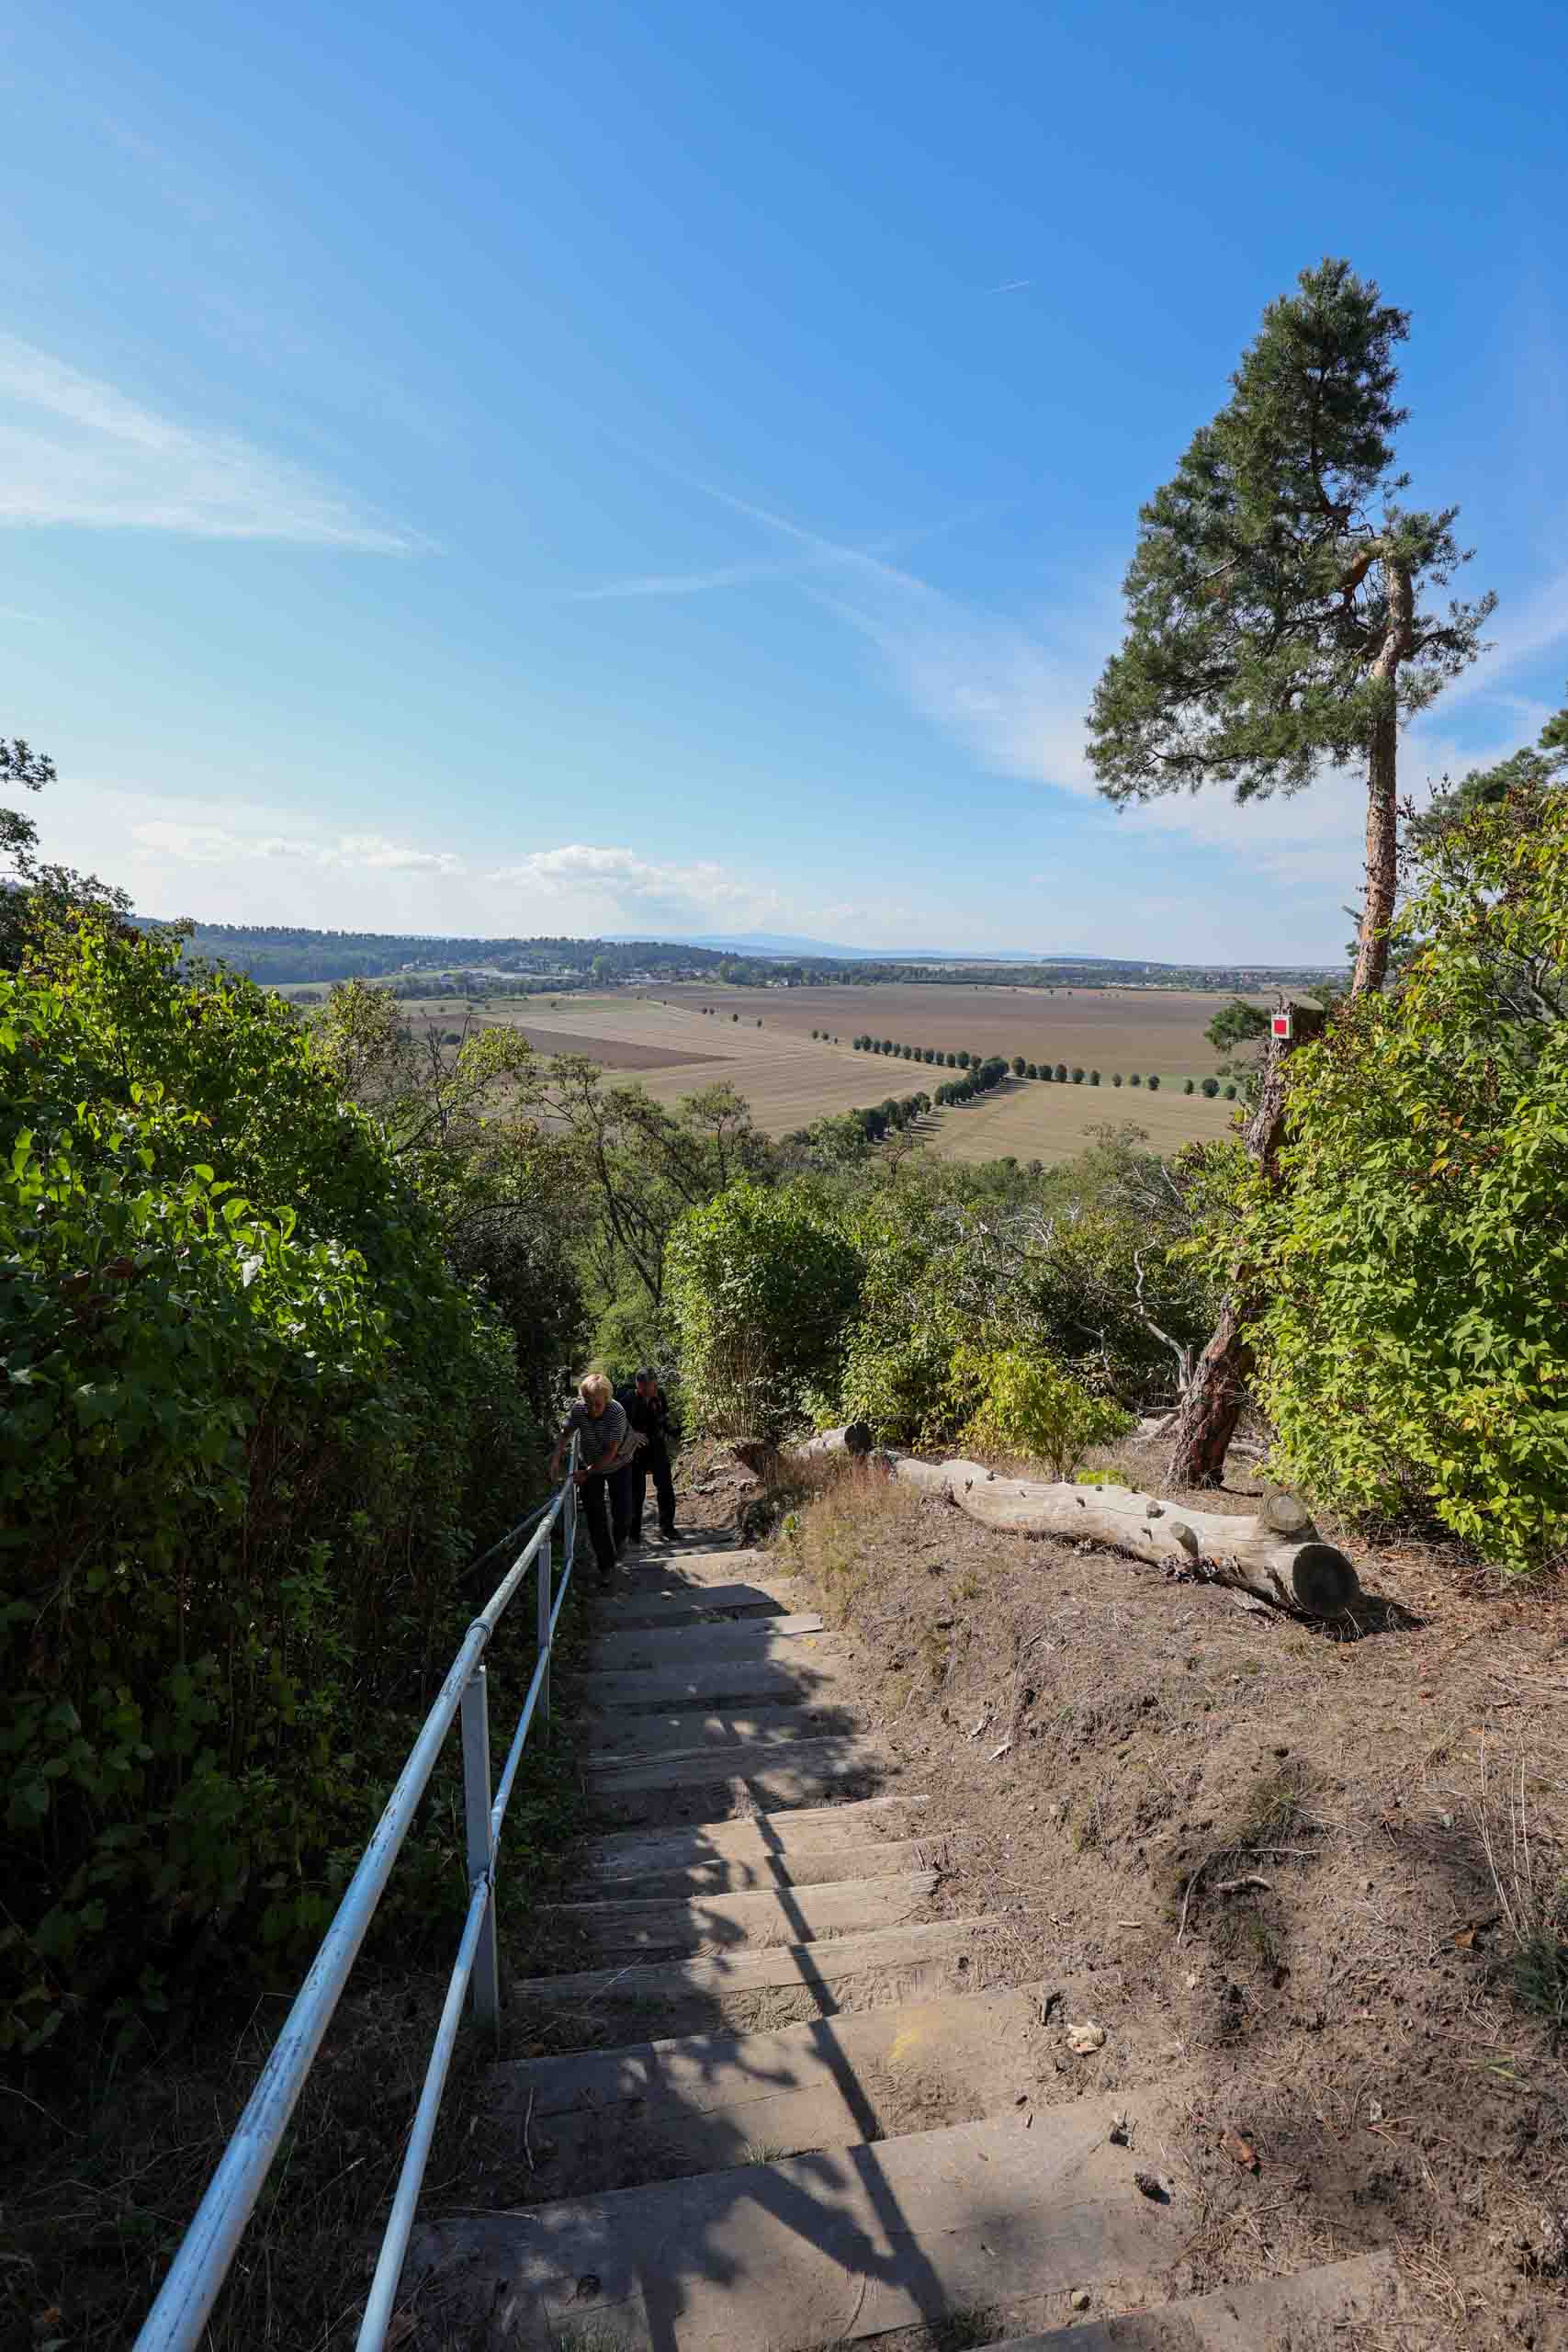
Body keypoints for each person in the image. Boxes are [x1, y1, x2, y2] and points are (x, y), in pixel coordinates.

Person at [549, 1372, 629, 1586]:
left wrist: (586, 1473)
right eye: (588, 1403)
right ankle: (606, 1566)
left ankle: (621, 1539)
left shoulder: (616, 1412)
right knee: (595, 1516)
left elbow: (611, 1453)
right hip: (590, 1462)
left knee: (622, 1511)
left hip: (617, 1464)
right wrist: (555, 1460)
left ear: (607, 1400)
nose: (593, 1409)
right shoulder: (579, 1409)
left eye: (598, 1404)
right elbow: (565, 1433)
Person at [614, 1367, 682, 1546]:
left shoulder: (659, 1395)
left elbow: (664, 1417)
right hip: (635, 1450)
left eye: (651, 1385)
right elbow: (618, 1424)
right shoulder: (627, 1399)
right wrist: (633, 1434)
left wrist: (673, 1430)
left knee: (665, 1487)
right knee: (637, 1492)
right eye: (644, 1386)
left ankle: (668, 1527)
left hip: (656, 1446)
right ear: (638, 1384)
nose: (649, 1389)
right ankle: (634, 1533)